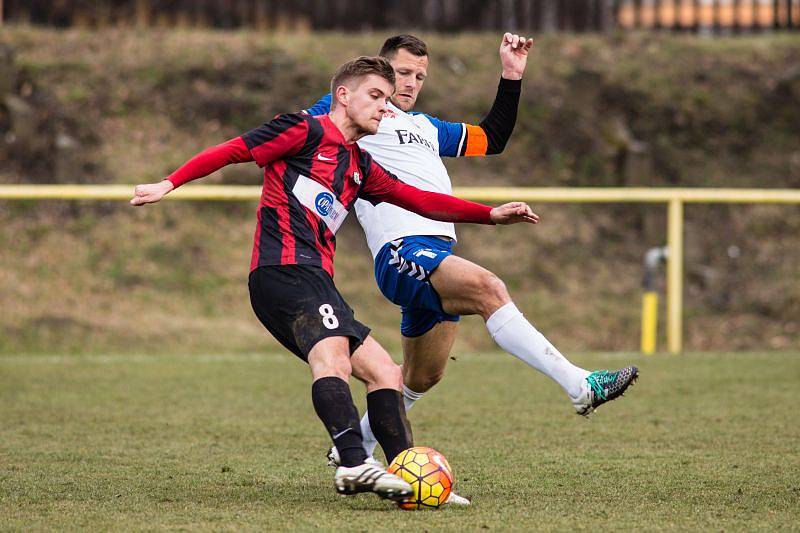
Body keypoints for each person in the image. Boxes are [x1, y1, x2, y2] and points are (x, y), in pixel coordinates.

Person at [130, 56, 539, 502]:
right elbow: (232, 150)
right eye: (376, 96)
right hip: (282, 272)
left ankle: (406, 482)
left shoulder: (359, 164)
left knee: (384, 371)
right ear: (342, 95)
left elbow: (421, 200)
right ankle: (353, 462)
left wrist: (491, 215)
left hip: (316, 279)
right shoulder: (303, 130)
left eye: (387, 99)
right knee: (334, 361)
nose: (385, 107)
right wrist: (169, 183)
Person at [306, 35, 639, 478]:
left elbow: (493, 138)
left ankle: (358, 444)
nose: (410, 83)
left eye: (419, 76)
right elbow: (297, 128)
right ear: (377, 73)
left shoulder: (426, 127)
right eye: (402, 72)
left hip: (436, 254)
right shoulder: (355, 113)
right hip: (401, 252)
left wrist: (511, 75)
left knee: (422, 377)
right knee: (489, 288)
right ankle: (580, 386)